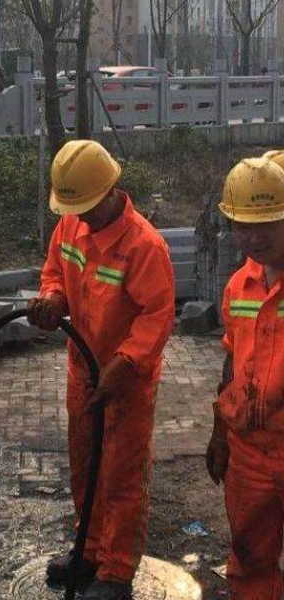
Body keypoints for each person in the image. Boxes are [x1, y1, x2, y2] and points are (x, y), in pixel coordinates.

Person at [27, 140, 175, 600]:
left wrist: (126, 363)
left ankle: (115, 571)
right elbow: (55, 271)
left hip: (126, 380)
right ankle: (88, 550)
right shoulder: (70, 226)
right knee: (85, 466)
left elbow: (157, 314)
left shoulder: (144, 246)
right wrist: (52, 298)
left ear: (112, 190)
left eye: (88, 206)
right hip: (83, 371)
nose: (82, 216)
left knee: (121, 476)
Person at [206, 154, 284, 600]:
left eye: (267, 225)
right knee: (250, 558)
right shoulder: (239, 286)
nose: (253, 238)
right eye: (242, 226)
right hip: (250, 452)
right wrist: (219, 431)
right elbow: (232, 361)